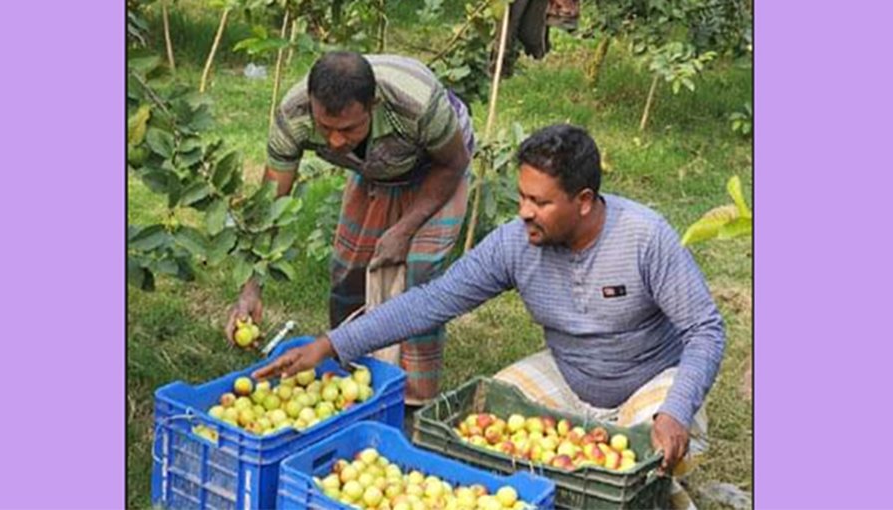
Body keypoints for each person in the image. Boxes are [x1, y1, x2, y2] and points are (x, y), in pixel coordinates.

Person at [253, 124, 725, 509]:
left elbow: (705, 329)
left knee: (644, 459)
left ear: (583, 201)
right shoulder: (516, 243)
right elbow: (432, 301)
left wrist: (675, 410)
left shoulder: (644, 238)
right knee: (478, 428)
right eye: (522, 197)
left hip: (648, 378)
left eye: (540, 202)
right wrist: (333, 344)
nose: (524, 212)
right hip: (570, 374)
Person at [226, 51, 475, 405]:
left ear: (373, 105)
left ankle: (412, 397)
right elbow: (270, 204)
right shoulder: (295, 115)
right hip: (375, 167)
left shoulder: (416, 104)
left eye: (347, 129)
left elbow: (453, 163)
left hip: (438, 164)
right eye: (325, 127)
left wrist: (404, 230)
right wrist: (251, 288)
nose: (335, 141)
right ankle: (347, 369)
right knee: (349, 266)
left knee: (419, 271)